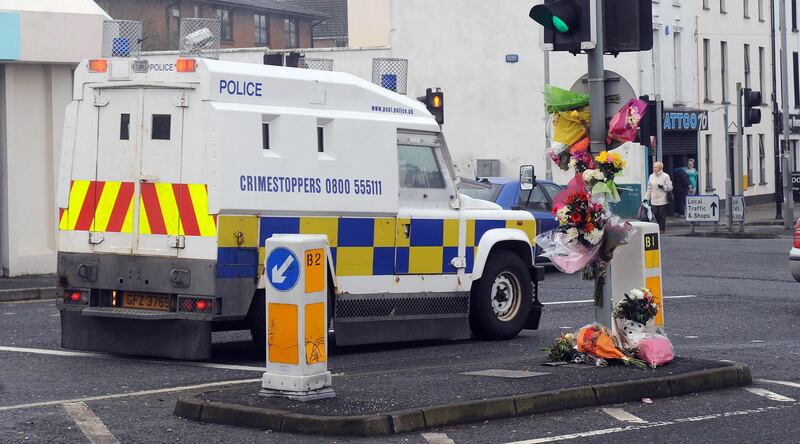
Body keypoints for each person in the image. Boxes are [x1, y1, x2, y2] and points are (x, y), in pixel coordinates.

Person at [645, 162, 673, 233]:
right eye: (654, 167)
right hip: (654, 198)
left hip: (662, 198)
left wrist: (663, 187)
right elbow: (649, 188)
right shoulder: (651, 176)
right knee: (656, 214)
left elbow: (670, 187)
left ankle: (662, 228)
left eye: (656, 167)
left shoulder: (665, 176)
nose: (654, 169)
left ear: (660, 168)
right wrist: (646, 198)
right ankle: (659, 225)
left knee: (661, 214)